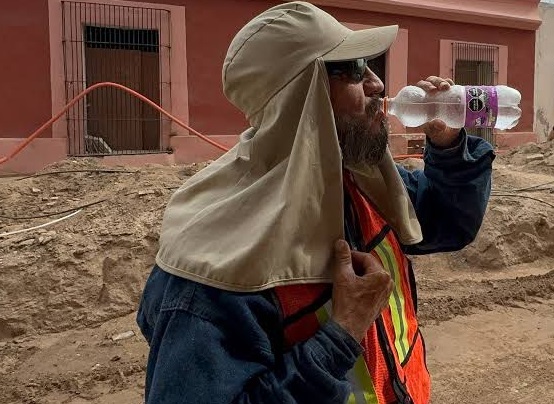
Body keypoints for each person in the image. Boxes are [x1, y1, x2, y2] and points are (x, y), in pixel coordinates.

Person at [135, 2, 495, 403]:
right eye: (355, 69)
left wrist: (447, 147)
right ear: (301, 97)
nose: (377, 84)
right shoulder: (212, 266)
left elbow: (446, 223)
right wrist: (340, 336)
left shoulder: (360, 183)